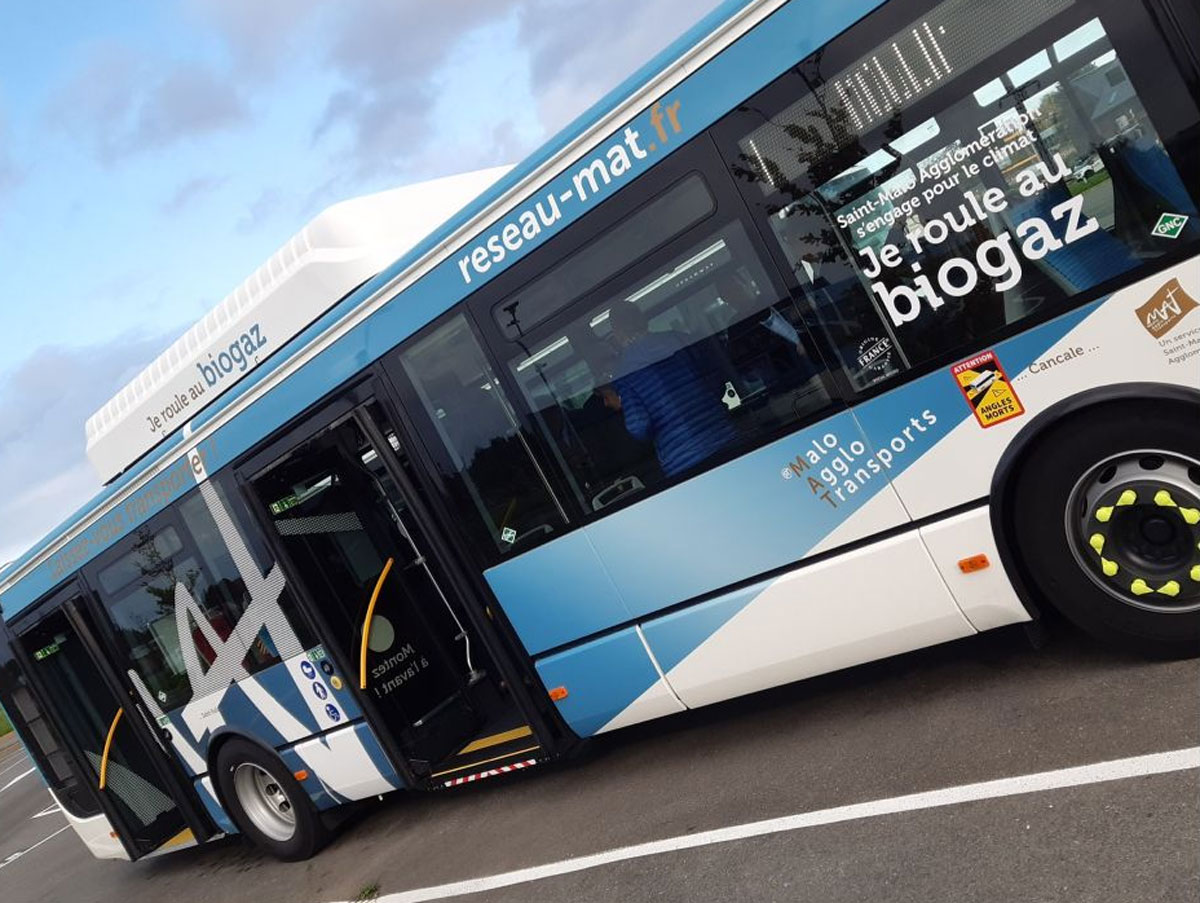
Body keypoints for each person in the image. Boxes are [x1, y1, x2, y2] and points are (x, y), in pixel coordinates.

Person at [603, 302, 737, 478]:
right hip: (723, 437)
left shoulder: (624, 372)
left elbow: (639, 425)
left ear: (617, 332)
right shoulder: (680, 339)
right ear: (643, 320)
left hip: (682, 461)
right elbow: (715, 380)